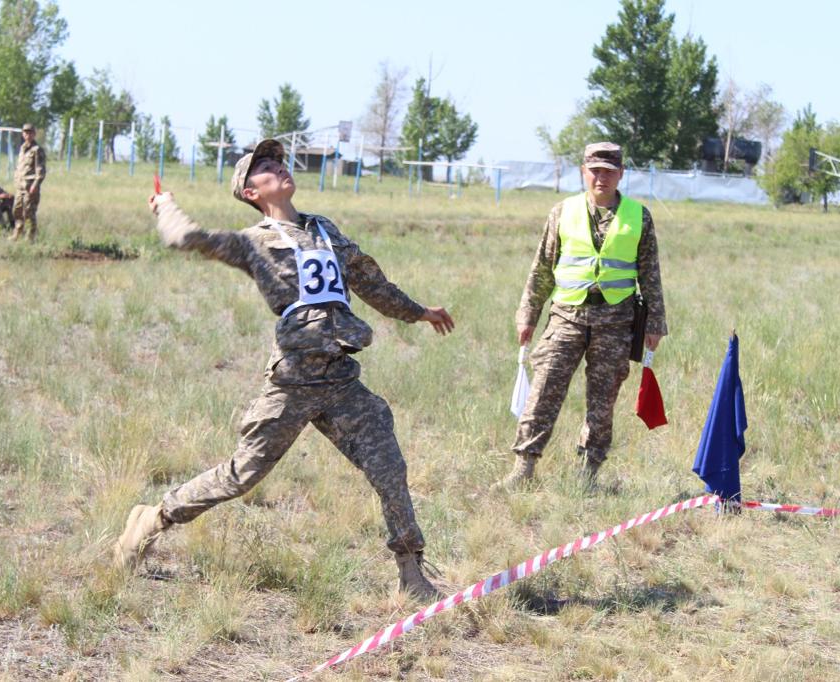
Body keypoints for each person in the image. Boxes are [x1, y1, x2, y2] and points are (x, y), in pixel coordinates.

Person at [113, 139, 455, 600]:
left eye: (278, 162)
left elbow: (371, 282)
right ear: (251, 192)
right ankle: (154, 517)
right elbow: (185, 238)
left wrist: (420, 312)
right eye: (265, 169)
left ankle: (411, 574)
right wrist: (166, 206)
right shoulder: (253, 243)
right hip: (292, 380)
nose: (278, 169)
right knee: (243, 474)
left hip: (340, 378)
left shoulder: (325, 230)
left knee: (389, 467)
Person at [494, 142, 668, 489]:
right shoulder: (563, 212)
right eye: (595, 170)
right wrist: (528, 312)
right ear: (583, 172)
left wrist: (655, 322)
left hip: (616, 323)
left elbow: (650, 273)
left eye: (608, 171)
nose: (601, 177)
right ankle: (523, 468)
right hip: (566, 318)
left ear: (620, 174)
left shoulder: (639, 216)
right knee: (542, 391)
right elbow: (543, 267)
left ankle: (588, 473)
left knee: (602, 403)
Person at [11, 123, 46, 241]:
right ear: (22, 134)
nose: (28, 135)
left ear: (34, 134)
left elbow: (40, 170)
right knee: (17, 210)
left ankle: (30, 237)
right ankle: (18, 232)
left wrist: (35, 185)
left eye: (30, 132)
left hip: (30, 187)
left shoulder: (37, 150)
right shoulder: (22, 148)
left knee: (29, 212)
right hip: (20, 186)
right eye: (25, 132)